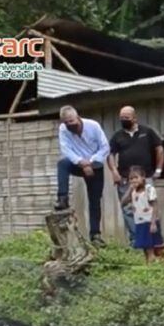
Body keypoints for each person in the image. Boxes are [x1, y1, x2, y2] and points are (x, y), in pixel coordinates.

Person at [107, 106, 164, 243]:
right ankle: (136, 240)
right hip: (126, 179)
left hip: (146, 177)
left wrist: (158, 170)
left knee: (150, 206)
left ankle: (154, 240)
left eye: (126, 117)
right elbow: (110, 154)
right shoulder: (117, 136)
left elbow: (159, 149)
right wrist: (114, 171)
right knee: (128, 209)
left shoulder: (147, 132)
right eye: (121, 118)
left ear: (134, 118)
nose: (124, 120)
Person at [56, 105, 111, 245]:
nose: (69, 125)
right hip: (78, 163)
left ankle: (95, 235)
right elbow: (66, 150)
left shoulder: (93, 126)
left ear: (78, 118)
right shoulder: (63, 129)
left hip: (95, 166)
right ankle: (62, 198)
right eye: (66, 122)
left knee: (94, 200)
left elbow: (105, 147)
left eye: (71, 121)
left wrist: (90, 163)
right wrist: (81, 162)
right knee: (62, 164)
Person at [120, 166, 162, 263]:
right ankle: (148, 264)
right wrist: (130, 190)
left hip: (149, 222)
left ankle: (152, 265)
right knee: (144, 247)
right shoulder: (133, 192)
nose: (133, 180)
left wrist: (153, 223)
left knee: (150, 247)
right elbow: (123, 202)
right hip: (139, 223)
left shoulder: (149, 189)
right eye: (131, 178)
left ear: (143, 177)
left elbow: (155, 206)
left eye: (136, 177)